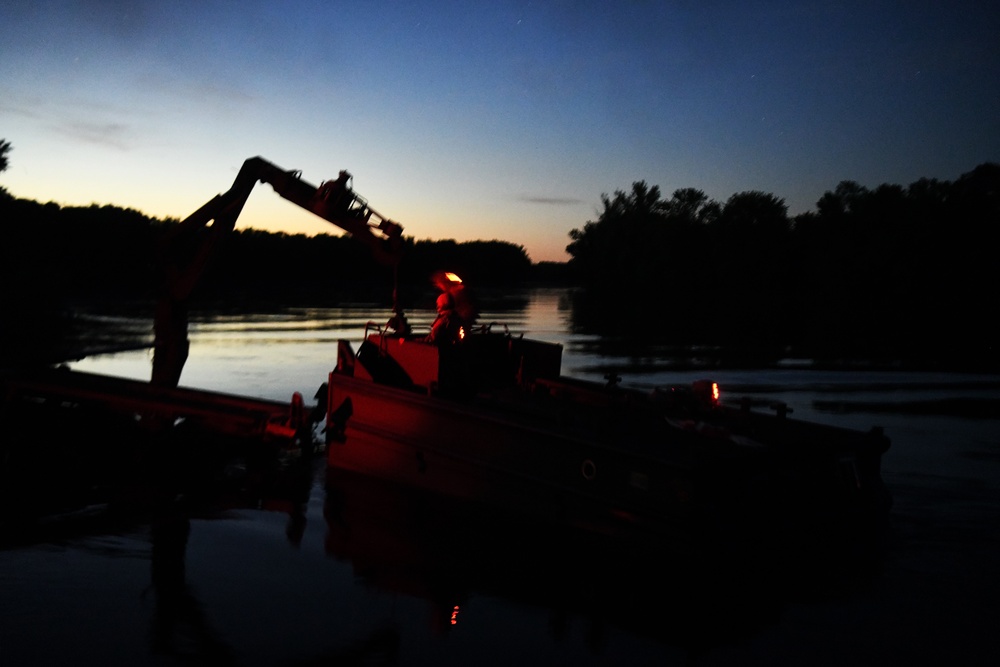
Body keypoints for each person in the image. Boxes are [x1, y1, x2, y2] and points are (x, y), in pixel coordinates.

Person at [427, 271, 478, 344]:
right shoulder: (455, 293)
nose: (438, 286)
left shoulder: (456, 293)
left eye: (438, 283)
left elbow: (435, 337)